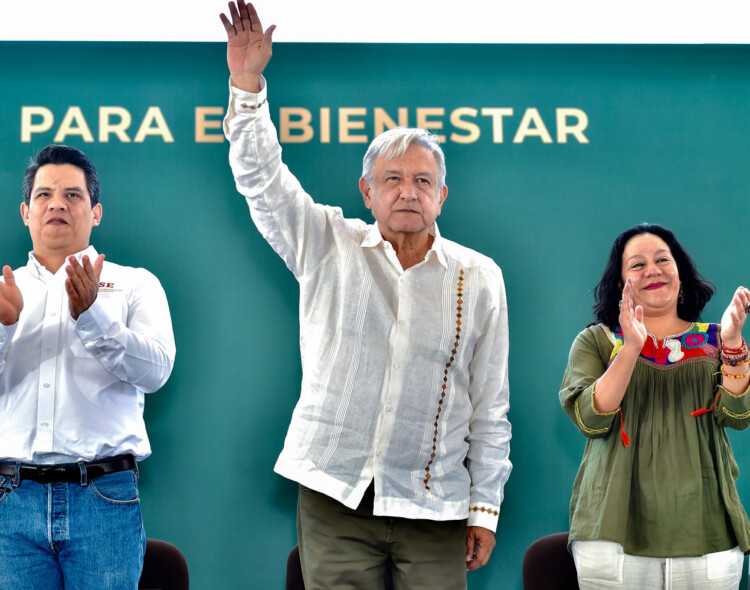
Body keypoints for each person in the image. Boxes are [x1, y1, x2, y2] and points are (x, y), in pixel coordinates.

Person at [219, 2, 511, 588]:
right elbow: (261, 179)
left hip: (434, 500)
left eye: (423, 181)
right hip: (335, 489)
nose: (409, 192)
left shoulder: (479, 277)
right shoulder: (326, 241)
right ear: (367, 191)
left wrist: (485, 506)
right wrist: (247, 86)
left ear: (442, 196)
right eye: (393, 180)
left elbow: (489, 405)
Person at [0, 144, 176, 589]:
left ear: (95, 212)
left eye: (73, 195)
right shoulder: (4, 290)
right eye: (44, 195)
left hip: (102, 496)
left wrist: (93, 316)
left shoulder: (135, 283)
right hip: (10, 499)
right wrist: (4, 328)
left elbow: (156, 372)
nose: (57, 203)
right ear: (25, 211)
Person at [560, 223, 750, 589]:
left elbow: (738, 415)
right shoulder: (596, 341)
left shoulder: (717, 339)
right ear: (620, 284)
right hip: (610, 536)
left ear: (680, 272)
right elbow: (590, 419)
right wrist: (631, 345)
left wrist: (732, 342)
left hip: (709, 532)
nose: (653, 269)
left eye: (663, 259)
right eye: (637, 264)